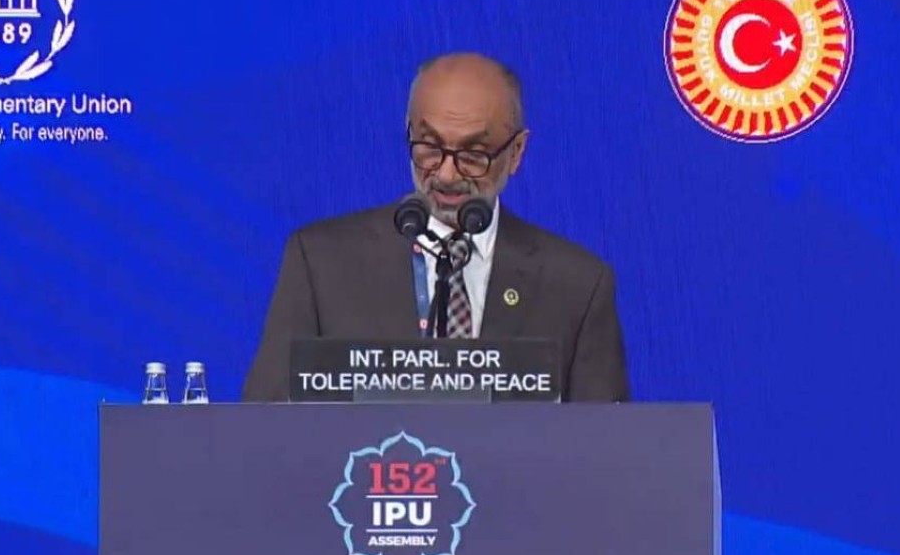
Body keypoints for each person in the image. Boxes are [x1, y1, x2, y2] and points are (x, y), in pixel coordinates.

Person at [243, 52, 628, 402]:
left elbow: (605, 445)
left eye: (473, 154)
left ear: (515, 153)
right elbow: (264, 429)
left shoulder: (576, 286)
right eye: (429, 147)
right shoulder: (321, 263)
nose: (446, 174)